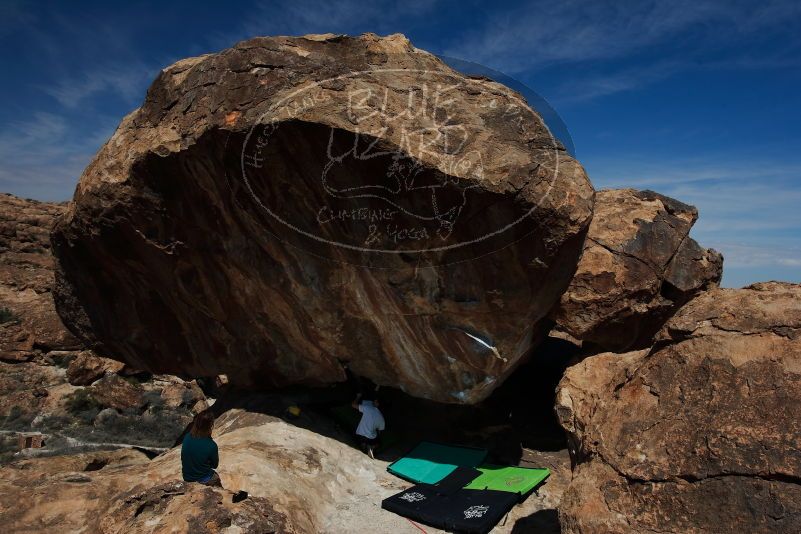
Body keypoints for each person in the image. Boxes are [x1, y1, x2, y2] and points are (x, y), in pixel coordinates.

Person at [181, 409, 222, 487]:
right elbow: (215, 465)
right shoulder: (211, 445)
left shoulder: (187, 437)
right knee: (216, 479)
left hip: (187, 478)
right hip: (203, 479)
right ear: (211, 425)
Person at [352, 390, 385, 459]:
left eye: (375, 401)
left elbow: (353, 405)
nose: (373, 402)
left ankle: (363, 445)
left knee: (358, 434)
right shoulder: (382, 419)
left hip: (360, 434)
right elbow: (380, 432)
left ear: (378, 404)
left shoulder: (368, 408)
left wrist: (358, 397)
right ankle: (371, 447)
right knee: (379, 442)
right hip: (370, 438)